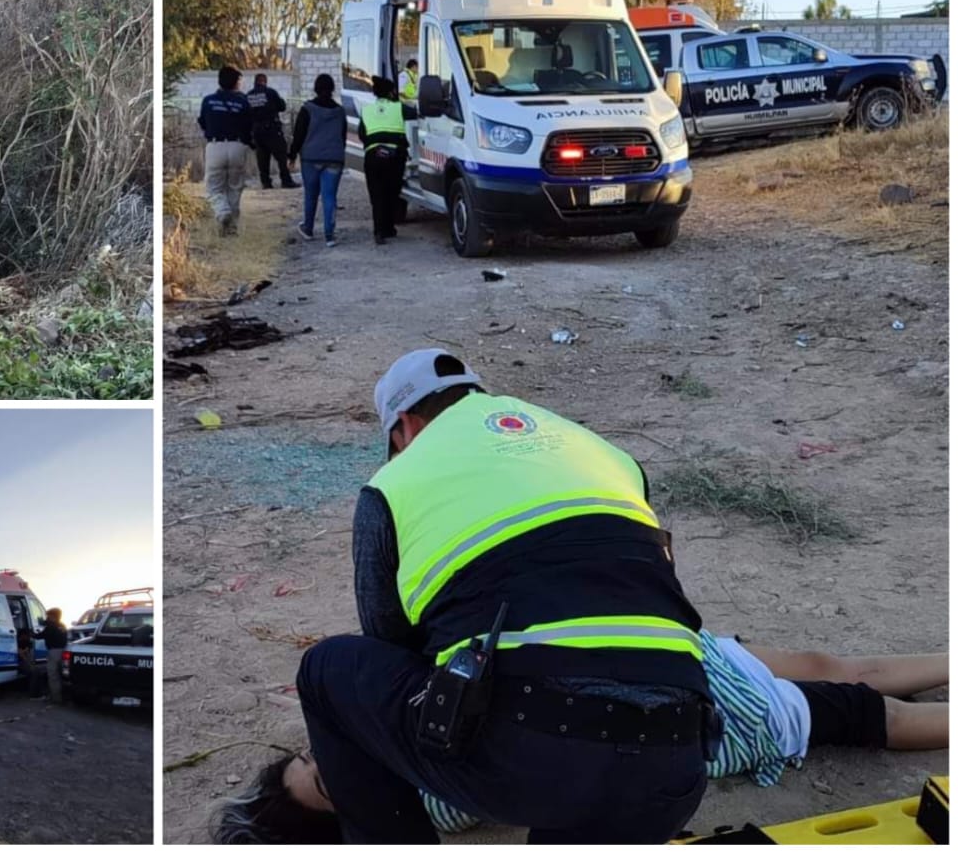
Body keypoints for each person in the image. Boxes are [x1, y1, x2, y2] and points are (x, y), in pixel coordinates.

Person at [220, 348, 713, 844]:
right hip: (675, 764)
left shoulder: (393, 485)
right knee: (576, 763)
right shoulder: (607, 454)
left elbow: (391, 644)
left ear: (405, 427)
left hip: (529, 759)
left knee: (328, 670)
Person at [418, 635, 951, 832]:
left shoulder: (380, 709)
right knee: (874, 714)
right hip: (715, 716)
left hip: (681, 660)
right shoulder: (430, 795)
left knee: (826, 663)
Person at [288, 73, 346, 248]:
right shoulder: (339, 111)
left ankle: (308, 228)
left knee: (311, 195)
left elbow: (298, 135)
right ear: (332, 89)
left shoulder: (308, 109)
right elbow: (342, 136)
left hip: (311, 158)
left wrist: (291, 156)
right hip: (334, 158)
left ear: (315, 88)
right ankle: (330, 235)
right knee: (330, 197)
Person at [197, 66, 253, 235]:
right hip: (237, 147)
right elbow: (249, 126)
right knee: (235, 187)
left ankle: (222, 212)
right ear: (236, 83)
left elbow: (203, 122)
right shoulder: (243, 102)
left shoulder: (208, 101)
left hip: (215, 146)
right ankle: (232, 228)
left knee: (214, 187)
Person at [358, 77, 408, 245]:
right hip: (394, 157)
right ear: (391, 92)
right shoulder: (399, 107)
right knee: (392, 192)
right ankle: (389, 227)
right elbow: (418, 114)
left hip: (373, 156)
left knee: (377, 194)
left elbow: (361, 134)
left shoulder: (367, 110)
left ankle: (379, 231)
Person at [246, 73, 297, 190]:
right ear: (264, 82)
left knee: (262, 157)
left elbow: (246, 114)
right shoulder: (270, 92)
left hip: (257, 130)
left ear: (255, 82)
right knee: (281, 155)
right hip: (272, 129)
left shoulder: (248, 95)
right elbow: (282, 106)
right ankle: (286, 180)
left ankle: (266, 182)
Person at [41, 607, 69, 705]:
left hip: (53, 652)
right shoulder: (63, 626)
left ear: (53, 616)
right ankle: (64, 697)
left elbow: (42, 635)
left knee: (53, 676)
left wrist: (31, 634)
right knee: (62, 674)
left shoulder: (51, 626)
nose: (47, 618)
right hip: (63, 651)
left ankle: (56, 699)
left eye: (48, 616)